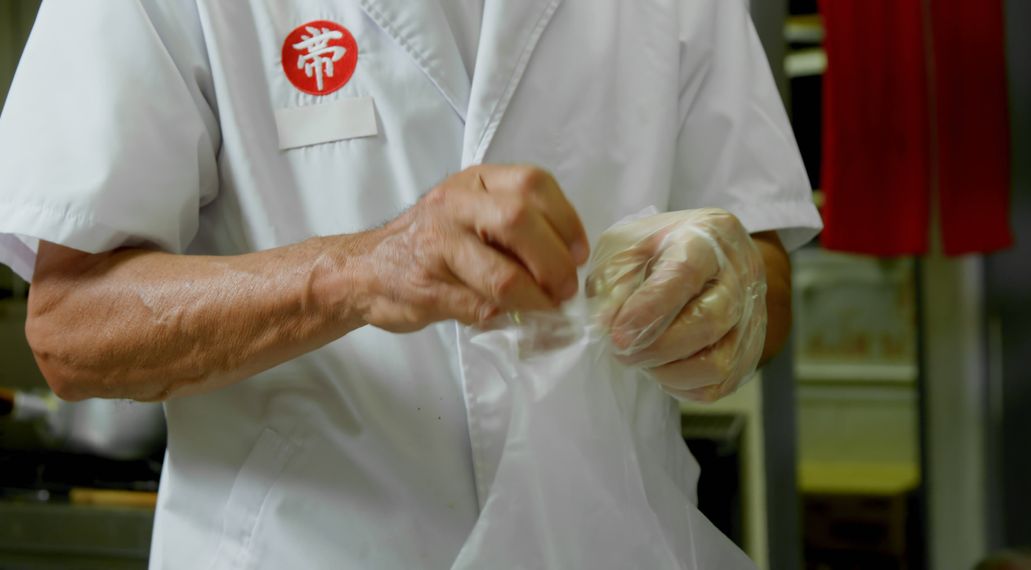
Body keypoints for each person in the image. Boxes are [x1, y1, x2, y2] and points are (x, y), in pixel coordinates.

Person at [0, 1, 822, 568]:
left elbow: (762, 256)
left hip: (622, 543)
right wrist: (355, 272)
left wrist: (733, 296)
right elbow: (72, 328)